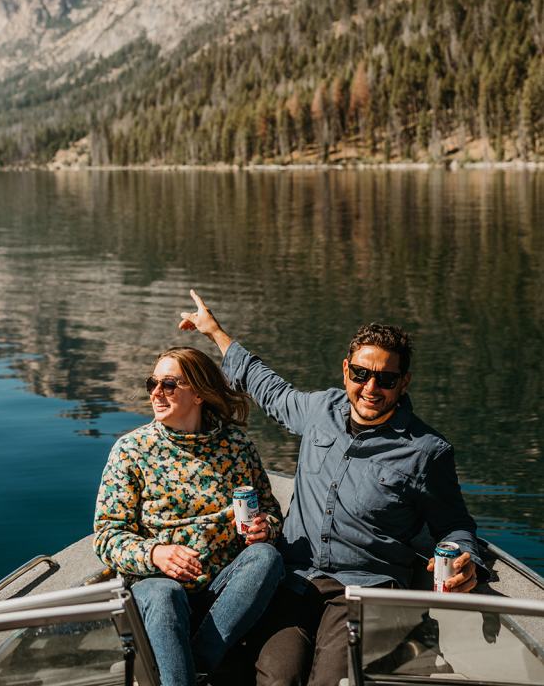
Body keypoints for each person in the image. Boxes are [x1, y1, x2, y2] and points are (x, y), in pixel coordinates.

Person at [179, 290, 485, 686]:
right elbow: (265, 385)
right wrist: (215, 331)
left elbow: (455, 525)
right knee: (276, 678)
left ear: (404, 382)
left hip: (366, 589)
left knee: (332, 682)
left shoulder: (428, 451)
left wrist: (464, 559)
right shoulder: (319, 410)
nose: (371, 387)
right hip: (295, 580)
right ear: (346, 370)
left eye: (386, 378)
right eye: (361, 374)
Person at [93, 346, 285, 686]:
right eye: (152, 383)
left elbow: (270, 511)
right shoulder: (131, 451)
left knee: (266, 558)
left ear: (198, 393)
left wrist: (263, 528)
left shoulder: (236, 447)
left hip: (224, 591)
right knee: (163, 594)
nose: (155, 392)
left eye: (168, 384)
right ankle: (197, 669)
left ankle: (191, 662)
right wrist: (156, 553)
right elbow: (107, 537)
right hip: (157, 588)